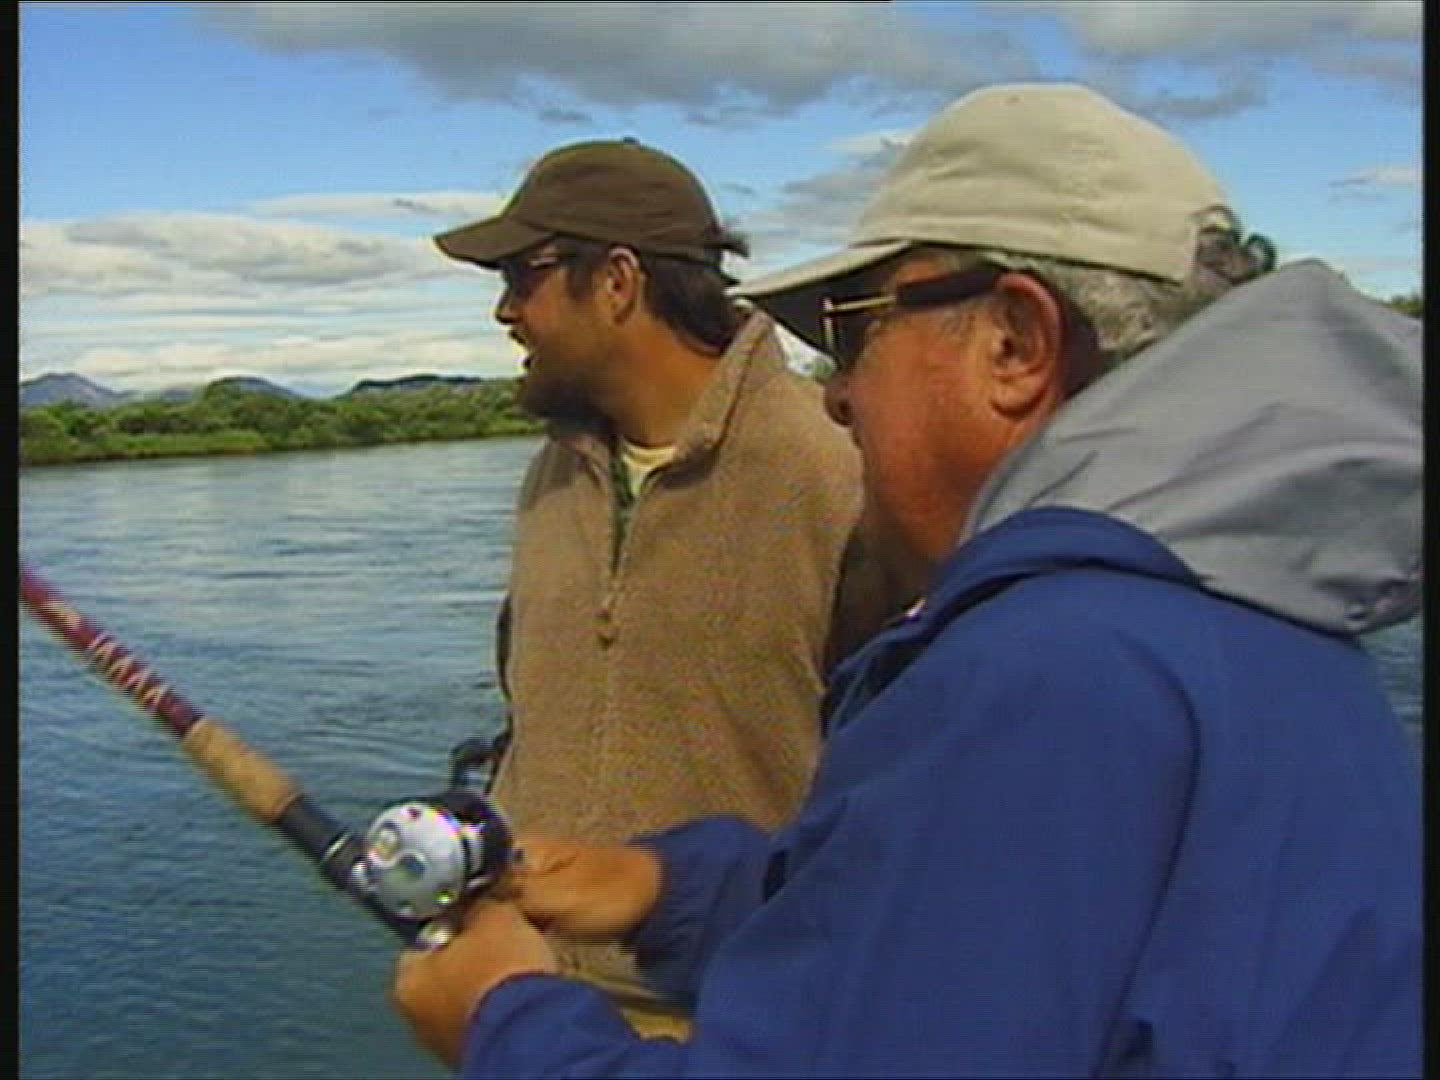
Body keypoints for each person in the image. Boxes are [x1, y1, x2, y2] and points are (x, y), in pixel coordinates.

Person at [394, 84, 1422, 1077]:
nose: (838, 394)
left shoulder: (1054, 671)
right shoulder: (1249, 628)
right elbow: (961, 919)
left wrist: (504, 1026)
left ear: (1015, 344)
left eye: (855, 329)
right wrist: (673, 889)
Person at [428, 138, 911, 1035]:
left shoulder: (834, 476)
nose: (504, 310)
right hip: (534, 1001)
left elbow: (898, 801)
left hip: (747, 1020)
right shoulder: (552, 478)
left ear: (617, 281)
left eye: (523, 276)